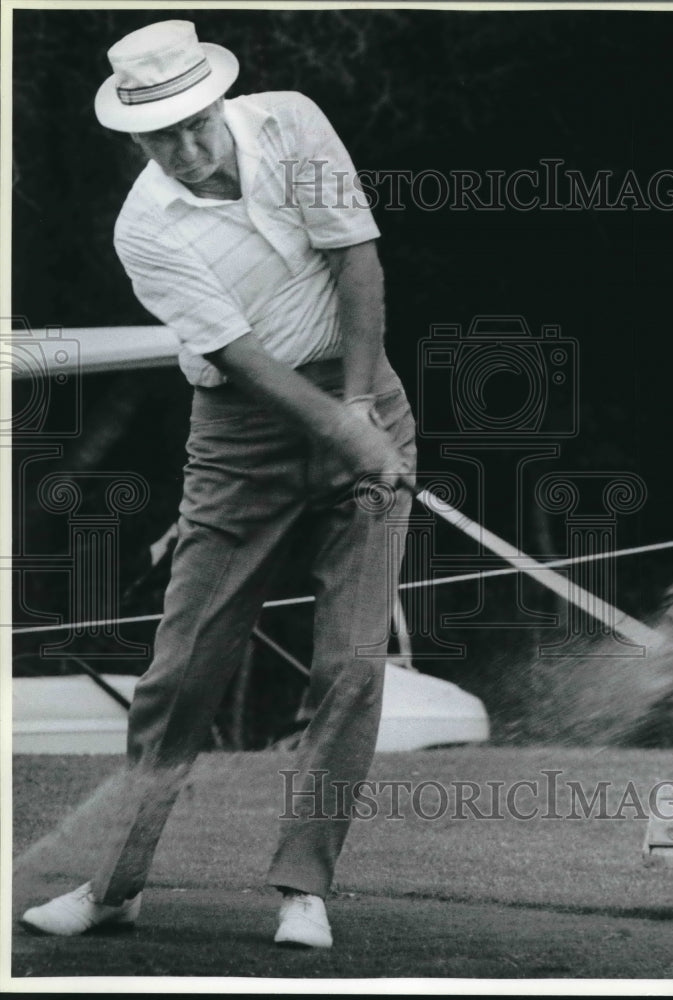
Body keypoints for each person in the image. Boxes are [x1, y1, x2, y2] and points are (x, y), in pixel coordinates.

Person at [21, 19, 416, 948]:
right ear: (133, 138)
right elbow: (237, 358)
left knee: (352, 665)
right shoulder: (143, 229)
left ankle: (302, 890)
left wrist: (359, 410)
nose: (187, 151)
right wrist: (340, 431)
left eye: (195, 124)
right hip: (242, 437)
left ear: (217, 101)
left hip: (362, 394)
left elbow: (355, 258)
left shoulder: (292, 124)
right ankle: (116, 885)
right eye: (161, 137)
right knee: (182, 667)